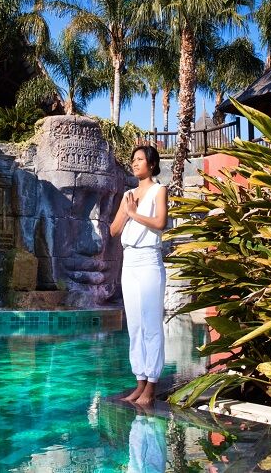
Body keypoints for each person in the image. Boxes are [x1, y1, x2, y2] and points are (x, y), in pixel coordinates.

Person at [110, 145, 168, 407]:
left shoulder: (159, 190)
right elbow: (113, 230)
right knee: (134, 325)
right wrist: (125, 213)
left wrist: (134, 213)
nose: (134, 163)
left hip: (148, 260)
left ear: (152, 164)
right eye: (133, 160)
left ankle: (152, 385)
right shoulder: (128, 195)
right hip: (130, 262)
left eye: (140, 159)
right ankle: (140, 381)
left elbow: (160, 223)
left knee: (151, 324)